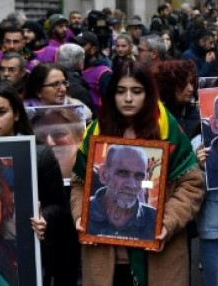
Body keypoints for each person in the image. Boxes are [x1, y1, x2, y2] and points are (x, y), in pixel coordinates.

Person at [70, 61, 204, 286]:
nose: (128, 98)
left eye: (137, 91)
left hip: (160, 259)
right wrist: (81, 216)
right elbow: (79, 184)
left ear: (148, 94)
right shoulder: (95, 131)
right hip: (105, 259)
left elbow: (192, 185)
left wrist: (167, 223)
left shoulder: (167, 130)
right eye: (121, 91)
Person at [0, 81, 75, 285]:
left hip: (27, 253)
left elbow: (59, 207)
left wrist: (43, 217)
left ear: (16, 114)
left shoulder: (39, 154)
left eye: (1, 112)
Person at [87, 145, 158, 239]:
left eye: (139, 176)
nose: (132, 185)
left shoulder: (155, 220)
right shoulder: (82, 211)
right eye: (123, 173)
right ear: (104, 175)